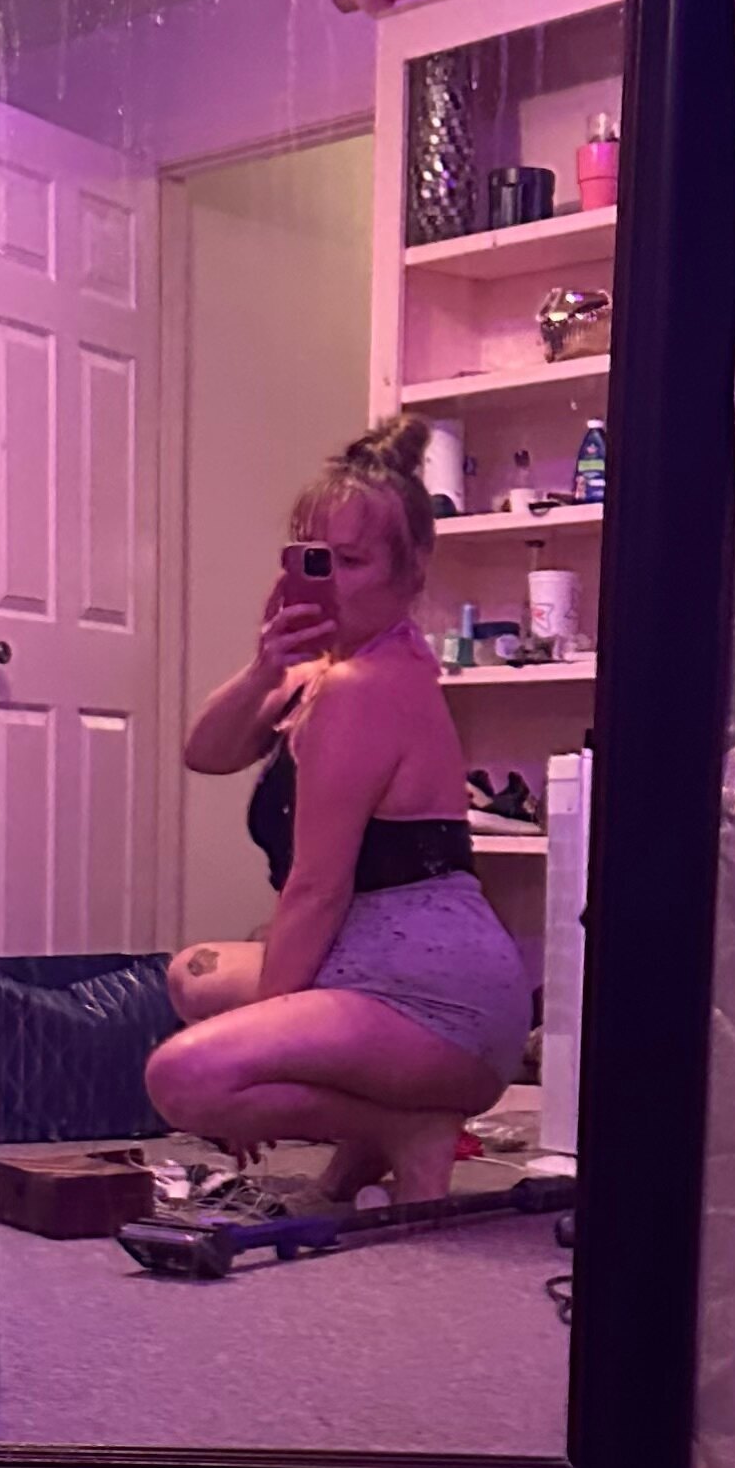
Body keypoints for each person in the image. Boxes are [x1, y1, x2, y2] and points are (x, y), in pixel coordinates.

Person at [147, 417, 533, 1204]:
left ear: (412, 569)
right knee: (192, 975)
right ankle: (383, 1134)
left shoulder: (362, 690)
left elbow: (318, 889)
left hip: (438, 1002)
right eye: (311, 558)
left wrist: (261, 1044)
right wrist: (265, 666)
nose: (326, 580)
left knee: (185, 1078)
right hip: (372, 970)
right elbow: (205, 751)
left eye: (351, 562)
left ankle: (405, 1130)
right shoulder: (321, 674)